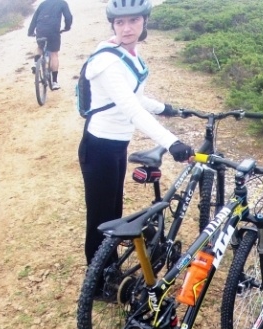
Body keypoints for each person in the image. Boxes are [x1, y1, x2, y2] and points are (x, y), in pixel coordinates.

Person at [78, 0, 195, 264]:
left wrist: (165, 108)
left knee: (113, 212)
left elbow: (135, 97)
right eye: (120, 22)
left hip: (117, 146)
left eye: (134, 21)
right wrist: (172, 142)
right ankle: (97, 278)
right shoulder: (108, 62)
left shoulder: (129, 53)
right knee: (100, 219)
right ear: (113, 25)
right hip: (98, 148)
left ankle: (108, 267)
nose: (127, 28)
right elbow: (132, 110)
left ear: (144, 22)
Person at [27, 0, 72, 90]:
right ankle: (54, 82)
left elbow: (34, 18)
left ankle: (35, 63)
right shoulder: (62, 3)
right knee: (54, 54)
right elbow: (68, 17)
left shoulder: (43, 4)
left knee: (40, 47)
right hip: (53, 31)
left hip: (41, 30)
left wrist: (30, 32)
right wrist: (67, 27)